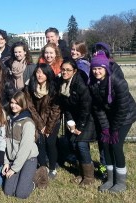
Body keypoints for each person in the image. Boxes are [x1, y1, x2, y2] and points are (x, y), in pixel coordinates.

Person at [88, 51, 136, 193]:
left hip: (126, 116)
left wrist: (114, 130)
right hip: (109, 116)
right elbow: (98, 109)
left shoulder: (118, 82)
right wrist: (105, 128)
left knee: (115, 145)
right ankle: (110, 179)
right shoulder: (93, 84)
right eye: (94, 68)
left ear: (106, 69)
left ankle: (121, 182)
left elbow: (122, 108)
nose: (97, 71)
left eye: (100, 68)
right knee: (105, 144)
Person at [58, 58, 96, 186]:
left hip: (86, 118)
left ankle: (89, 177)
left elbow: (86, 107)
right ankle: (81, 173)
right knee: (73, 144)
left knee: (81, 145)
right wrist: (70, 121)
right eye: (63, 69)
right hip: (74, 118)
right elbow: (65, 106)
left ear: (74, 71)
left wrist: (79, 126)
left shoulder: (80, 84)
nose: (65, 72)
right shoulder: (62, 84)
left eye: (68, 70)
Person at [24, 63, 61, 180]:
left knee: (50, 142)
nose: (40, 75)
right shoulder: (30, 86)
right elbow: (30, 107)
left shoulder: (54, 87)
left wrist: (48, 128)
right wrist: (40, 125)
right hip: (37, 120)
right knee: (40, 142)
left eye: (43, 73)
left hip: (52, 120)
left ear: (48, 74)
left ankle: (52, 167)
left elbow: (55, 109)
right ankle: (43, 167)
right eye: (38, 72)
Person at [2, 91, 39, 199]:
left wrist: (14, 169)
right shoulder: (8, 120)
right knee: (8, 191)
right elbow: (6, 143)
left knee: (21, 194)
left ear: (23, 104)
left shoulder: (27, 122)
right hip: (14, 159)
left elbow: (25, 149)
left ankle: (36, 179)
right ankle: (21, 177)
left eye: (17, 103)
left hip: (28, 159)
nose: (13, 106)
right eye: (12, 103)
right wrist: (6, 162)